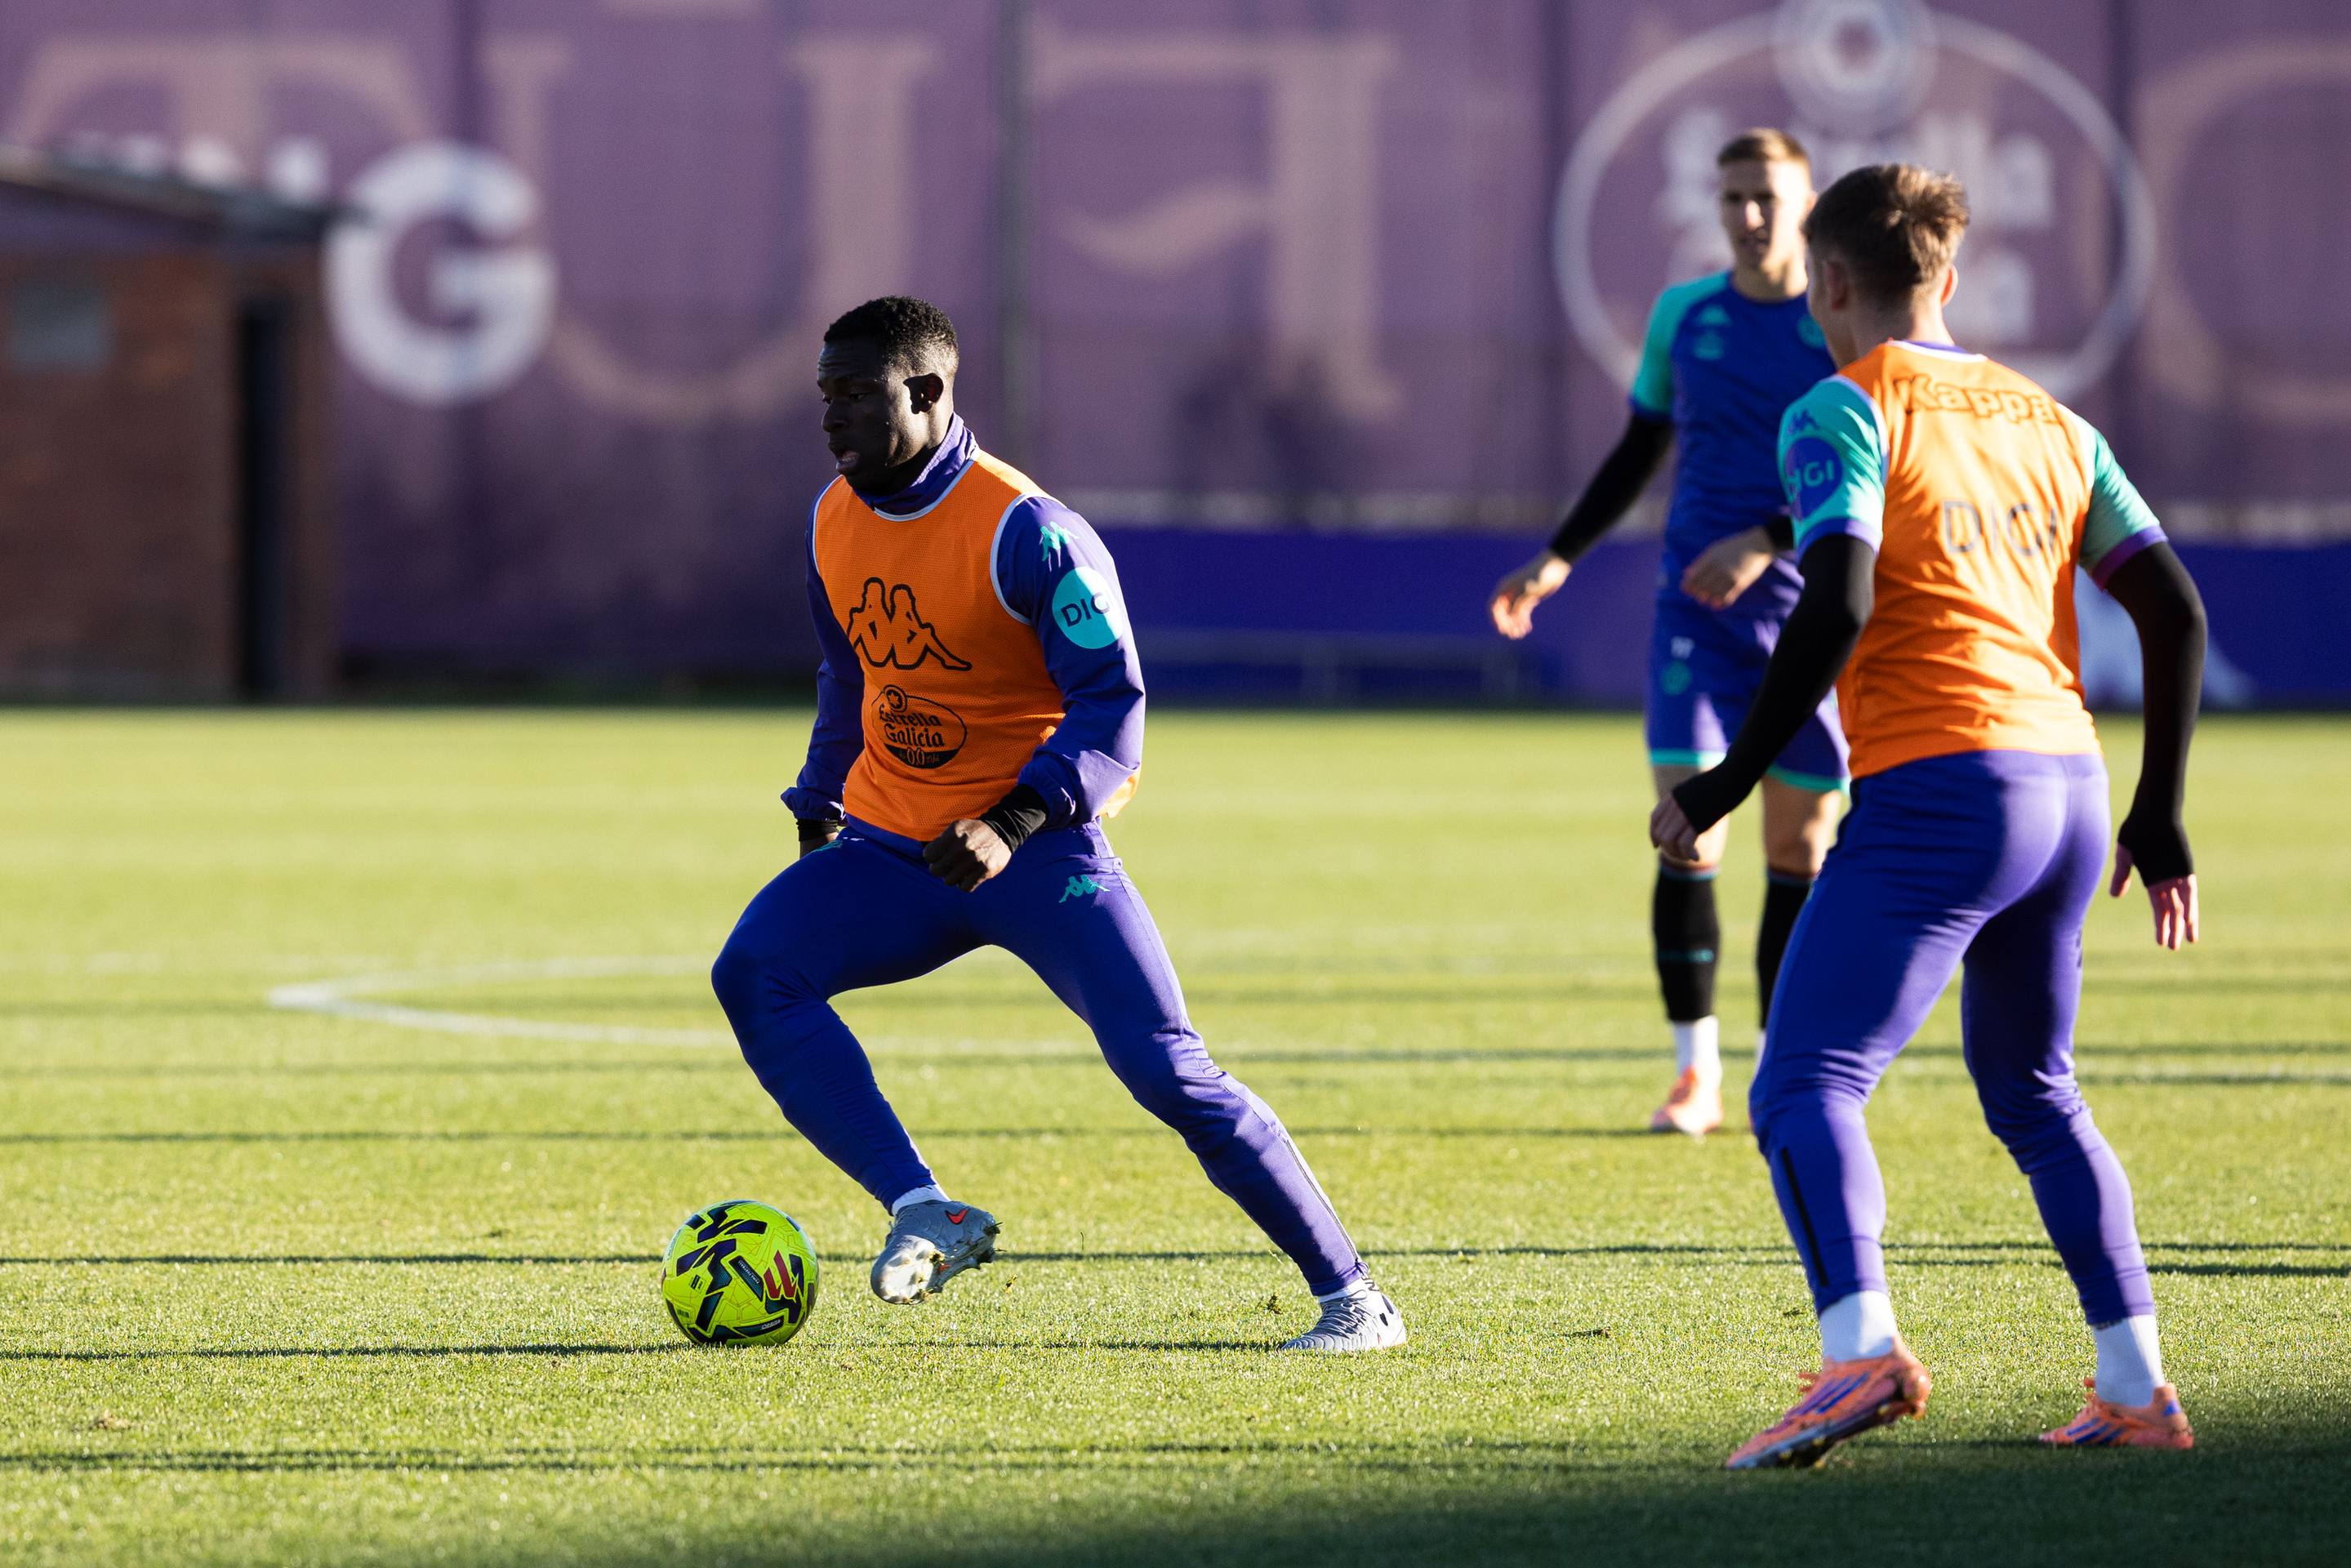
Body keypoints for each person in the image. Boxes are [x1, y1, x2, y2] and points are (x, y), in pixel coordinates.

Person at [710, 296, 1404, 1352]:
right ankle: (922, 1207)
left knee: (1165, 1068)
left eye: (856, 393)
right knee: (754, 970)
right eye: (824, 396)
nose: (832, 416)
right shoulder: (832, 518)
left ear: (929, 391)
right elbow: (849, 670)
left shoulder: (1028, 531)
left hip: (1037, 853)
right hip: (895, 848)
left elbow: (1112, 712)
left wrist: (1010, 819)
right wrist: (820, 797)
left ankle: (1352, 1298)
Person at [1650, 165, 2207, 1467]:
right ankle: (2136, 1390)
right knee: (2036, 1095)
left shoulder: (1840, 409)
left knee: (1802, 1080)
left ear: (1826, 283)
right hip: (2066, 794)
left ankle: (1857, 1359)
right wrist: (2159, 812)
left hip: (1942, 786)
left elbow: (1834, 599)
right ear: (1946, 281)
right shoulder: (2054, 421)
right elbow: (2171, 607)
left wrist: (1724, 784)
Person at [1491, 129, 1844, 1138]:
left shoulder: (1836, 322)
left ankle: (1781, 1070)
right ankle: (1695, 1073)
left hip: (1808, 612)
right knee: (1688, 835)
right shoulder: (1683, 315)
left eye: (1766, 197)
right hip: (1691, 615)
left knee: (1800, 850)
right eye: (1731, 197)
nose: (1747, 216)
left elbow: (1876, 467)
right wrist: (1556, 555)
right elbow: (1640, 443)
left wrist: (1769, 538)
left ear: (1805, 201)